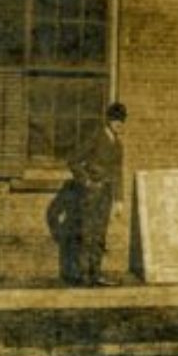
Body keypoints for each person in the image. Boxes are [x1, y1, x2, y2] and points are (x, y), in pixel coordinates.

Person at [68, 101, 127, 286]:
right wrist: (86, 181)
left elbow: (118, 172)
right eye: (116, 120)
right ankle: (83, 275)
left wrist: (119, 200)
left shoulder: (118, 144)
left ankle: (96, 273)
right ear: (108, 120)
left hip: (107, 194)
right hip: (91, 193)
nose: (119, 124)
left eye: (122, 121)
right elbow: (74, 161)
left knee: (100, 234)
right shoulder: (95, 136)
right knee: (87, 232)